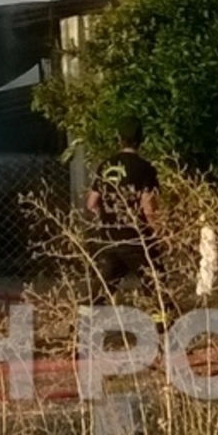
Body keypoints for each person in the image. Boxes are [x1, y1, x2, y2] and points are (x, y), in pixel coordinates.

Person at [84, 115, 163, 302]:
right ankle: (162, 322)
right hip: (136, 239)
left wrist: (105, 219)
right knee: (156, 281)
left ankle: (84, 322)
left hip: (110, 238)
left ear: (119, 139)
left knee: (105, 285)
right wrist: (157, 231)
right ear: (141, 140)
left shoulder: (105, 166)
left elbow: (92, 202)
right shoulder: (145, 169)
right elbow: (148, 206)